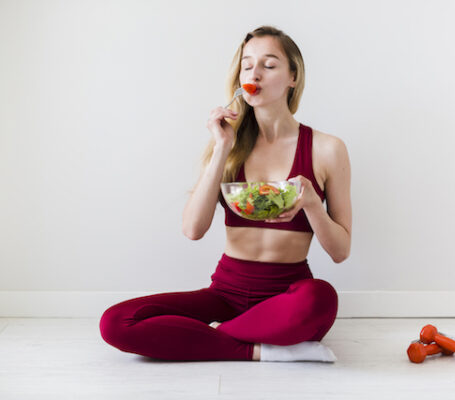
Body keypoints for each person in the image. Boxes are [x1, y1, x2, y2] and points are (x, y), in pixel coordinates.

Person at [99, 26, 352, 362]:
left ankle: (214, 337)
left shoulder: (328, 149)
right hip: (225, 294)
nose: (255, 73)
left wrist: (311, 206)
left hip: (288, 295)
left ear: (293, 76)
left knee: (321, 298)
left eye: (269, 65)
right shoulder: (228, 145)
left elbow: (340, 251)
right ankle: (262, 349)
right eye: (247, 66)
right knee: (116, 322)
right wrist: (221, 148)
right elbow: (193, 229)